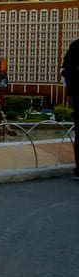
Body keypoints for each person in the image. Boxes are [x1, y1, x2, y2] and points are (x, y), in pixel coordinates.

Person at [61, 37, 79, 180]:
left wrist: (70, 92)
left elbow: (65, 70)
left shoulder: (75, 46)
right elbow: (66, 70)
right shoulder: (76, 46)